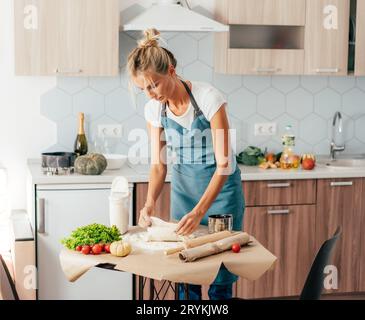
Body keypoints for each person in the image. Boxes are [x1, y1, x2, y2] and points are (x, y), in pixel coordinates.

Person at [127, 29, 245, 300]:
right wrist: (149, 204)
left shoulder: (209, 98)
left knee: (220, 276)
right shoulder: (154, 110)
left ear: (171, 70)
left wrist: (200, 210)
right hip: (184, 196)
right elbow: (158, 165)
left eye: (153, 85)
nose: (150, 94)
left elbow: (224, 164)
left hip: (221, 198)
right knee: (186, 275)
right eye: (143, 89)